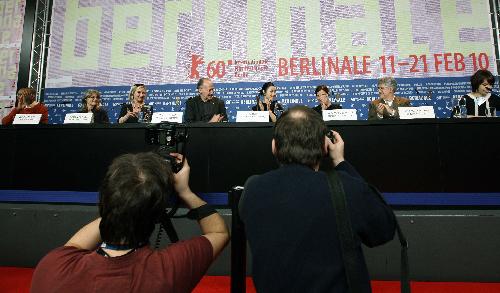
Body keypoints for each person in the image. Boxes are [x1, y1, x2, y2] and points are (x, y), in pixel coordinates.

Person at [240, 106, 396, 293]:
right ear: (324, 147)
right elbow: (383, 230)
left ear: (274, 146)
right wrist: (341, 162)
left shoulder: (253, 189)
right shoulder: (345, 187)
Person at [31, 152, 229, 293]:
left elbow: (75, 245)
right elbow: (219, 233)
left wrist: (122, 201)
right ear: (155, 214)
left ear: (104, 201)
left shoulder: (54, 265)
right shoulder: (168, 270)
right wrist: (185, 192)